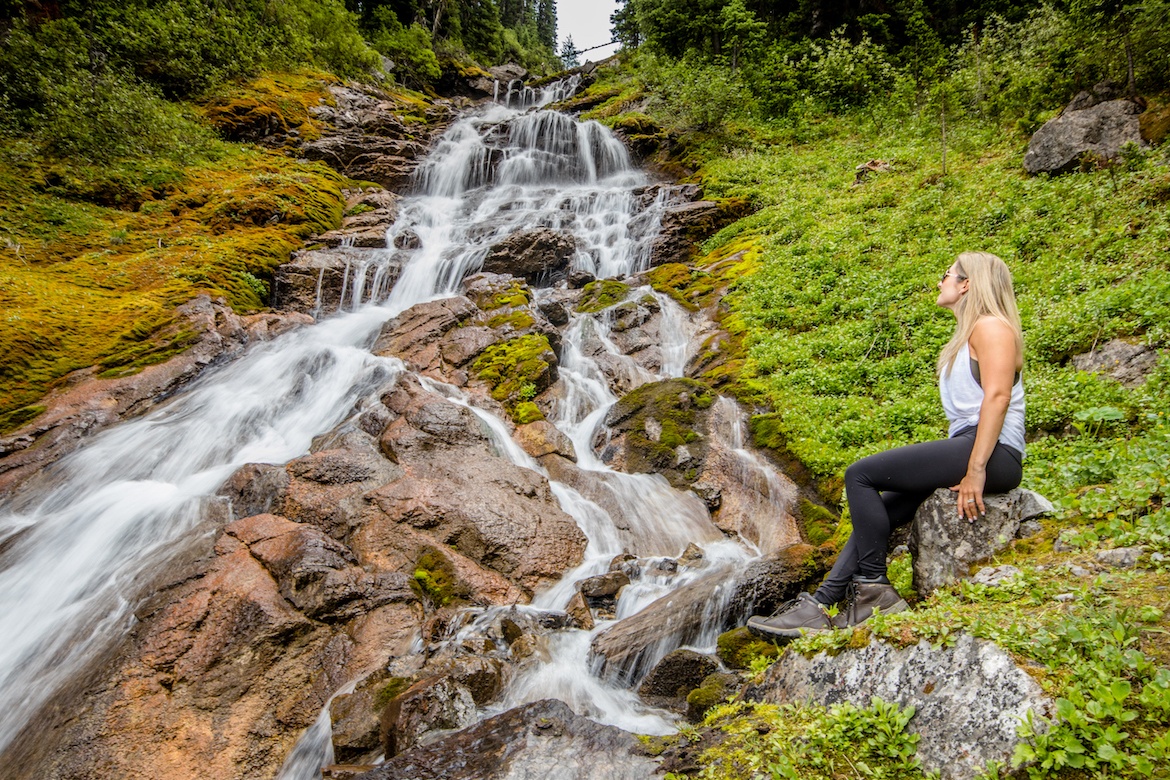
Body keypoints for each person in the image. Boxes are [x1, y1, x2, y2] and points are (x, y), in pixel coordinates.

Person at [747, 251, 1026, 640]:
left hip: (995, 452)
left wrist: (975, 469)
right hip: (972, 444)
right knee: (885, 505)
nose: (940, 281)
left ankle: (874, 588)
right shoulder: (970, 333)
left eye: (947, 274)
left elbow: (997, 398)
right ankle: (821, 604)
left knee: (860, 475)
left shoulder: (991, 326)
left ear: (967, 284)